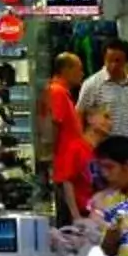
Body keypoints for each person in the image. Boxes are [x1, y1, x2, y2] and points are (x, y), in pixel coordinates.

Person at [41, 54, 91, 224]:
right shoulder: (57, 92)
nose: (82, 74)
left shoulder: (61, 92)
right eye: (79, 69)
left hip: (68, 168)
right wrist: (51, 158)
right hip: (64, 169)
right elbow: (53, 126)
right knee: (68, 220)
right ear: (66, 70)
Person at [79, 42, 128, 150]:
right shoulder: (92, 84)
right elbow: (79, 115)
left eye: (118, 61)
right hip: (103, 150)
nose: (113, 65)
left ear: (126, 61)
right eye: (109, 60)